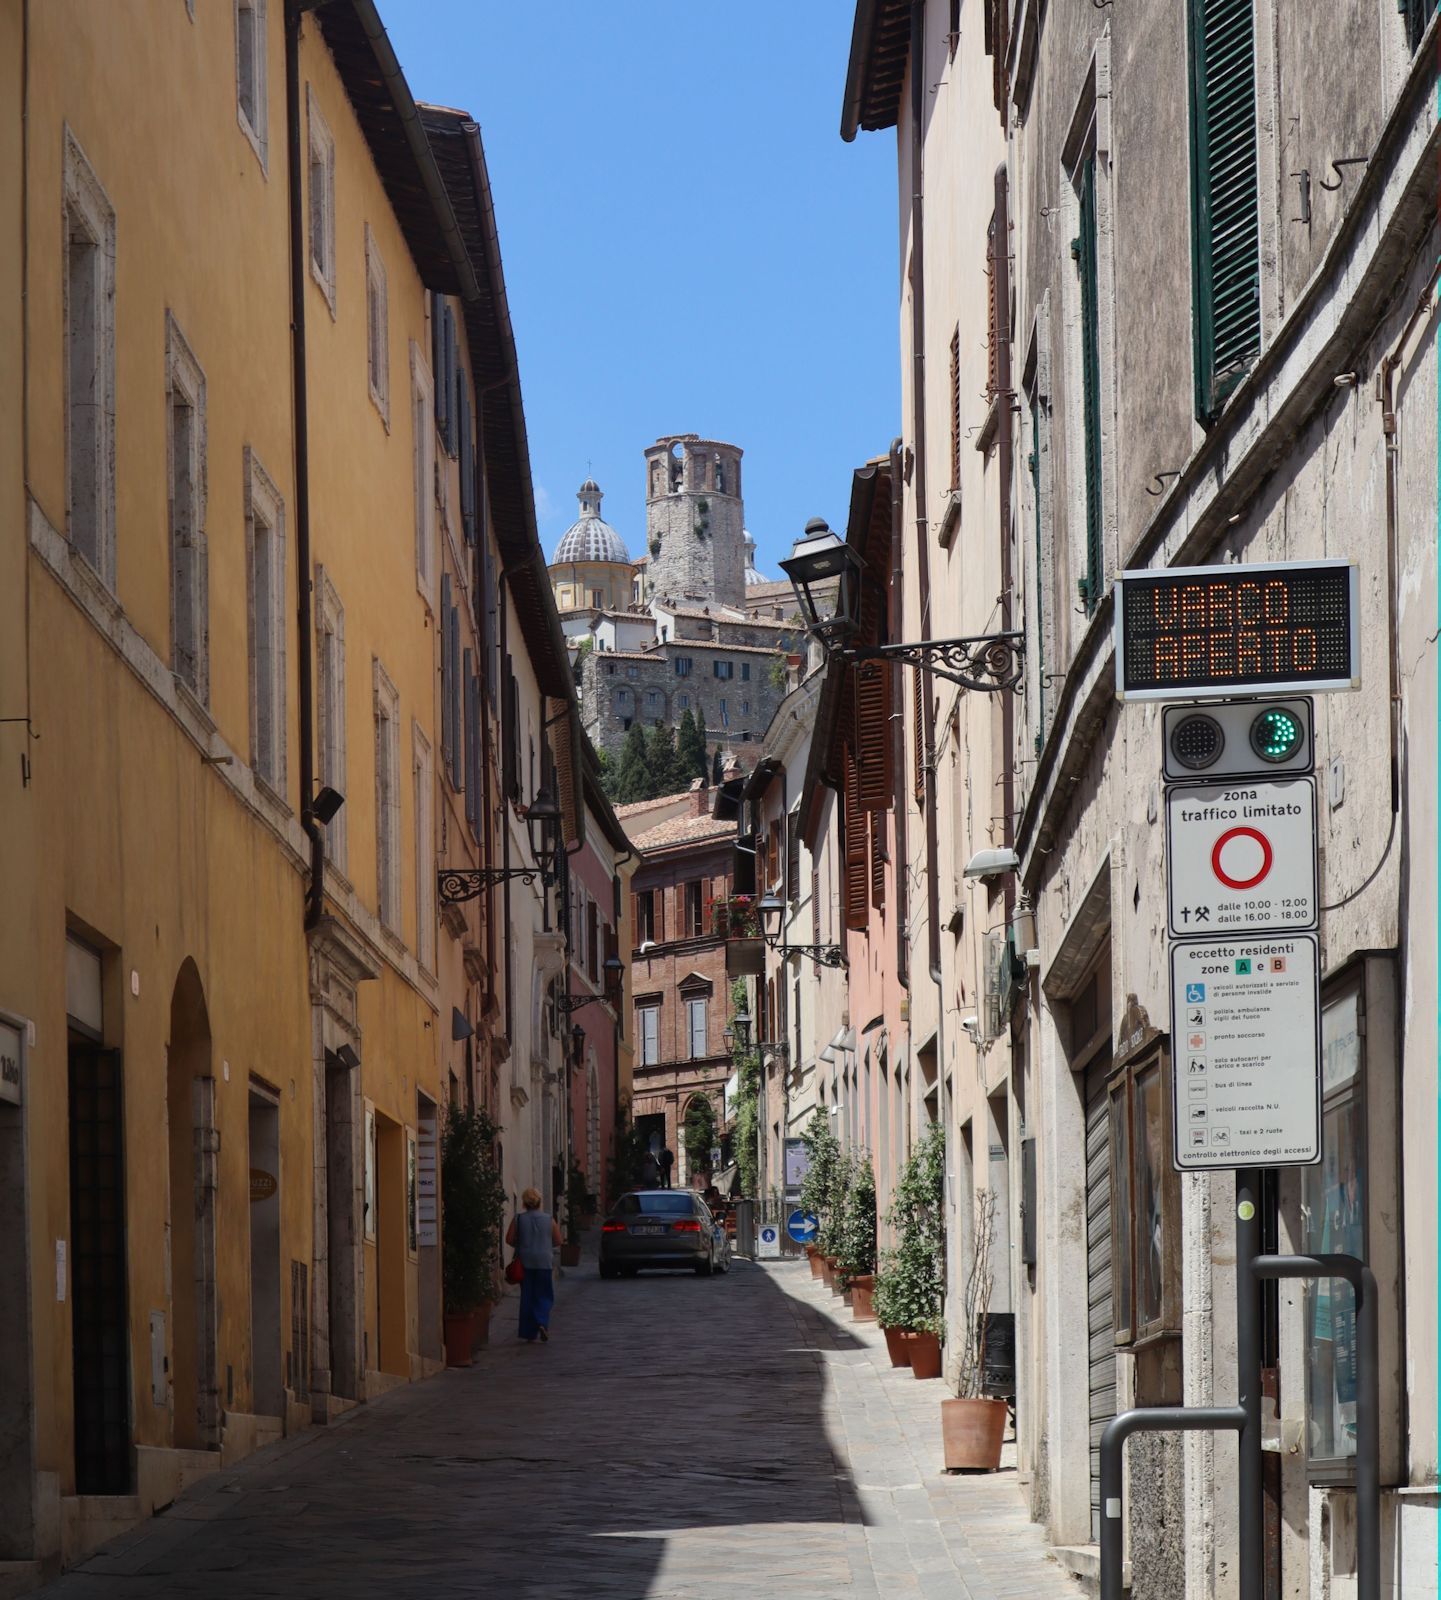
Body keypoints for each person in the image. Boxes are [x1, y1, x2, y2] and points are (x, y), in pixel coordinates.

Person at [505, 1188, 561, 1344]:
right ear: (539, 1202)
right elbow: (558, 1240)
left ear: (524, 1203)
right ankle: (542, 1322)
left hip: (525, 1261)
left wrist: (521, 1244)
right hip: (544, 1261)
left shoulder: (519, 1219)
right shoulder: (549, 1219)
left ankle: (529, 1332)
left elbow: (509, 1239)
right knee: (544, 1294)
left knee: (527, 1296)